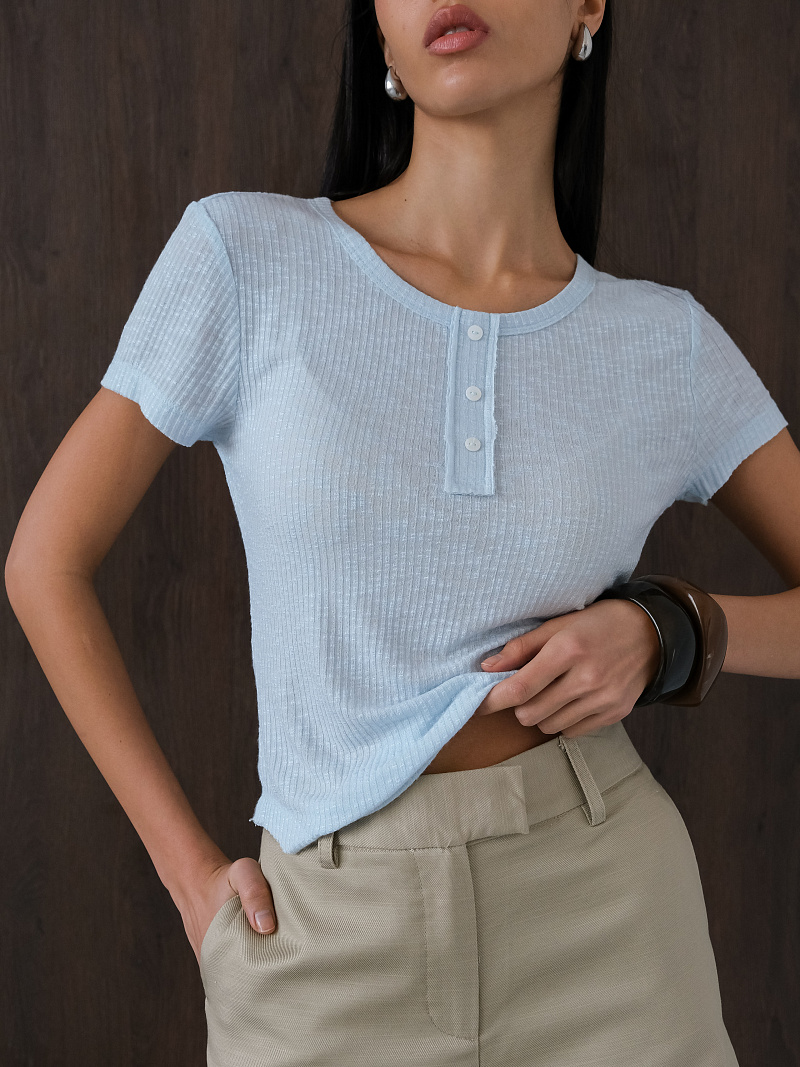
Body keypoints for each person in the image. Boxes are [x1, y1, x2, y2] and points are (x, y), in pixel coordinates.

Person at [6, 0, 800, 1064]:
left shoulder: (664, 342)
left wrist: (672, 632)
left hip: (606, 926)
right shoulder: (247, 257)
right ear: (378, 31)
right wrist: (190, 877)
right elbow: (45, 562)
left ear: (588, 7)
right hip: (319, 938)